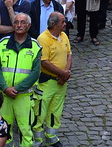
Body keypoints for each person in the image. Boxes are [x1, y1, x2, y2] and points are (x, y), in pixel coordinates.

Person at [0, 14, 41, 147]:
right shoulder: (1, 44)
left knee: (25, 129)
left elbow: (35, 73)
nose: (19, 25)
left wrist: (16, 89)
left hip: (24, 96)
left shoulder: (35, 47)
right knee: (4, 129)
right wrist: (5, 88)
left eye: (22, 22)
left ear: (28, 26)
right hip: (4, 95)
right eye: (16, 22)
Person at [33, 12, 72, 147]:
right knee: (40, 112)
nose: (65, 23)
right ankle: (37, 141)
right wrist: (63, 74)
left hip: (60, 83)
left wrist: (66, 73)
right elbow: (44, 62)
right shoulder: (43, 39)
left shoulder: (64, 36)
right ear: (54, 24)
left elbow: (69, 55)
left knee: (55, 111)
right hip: (47, 82)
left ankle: (51, 137)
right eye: (63, 21)